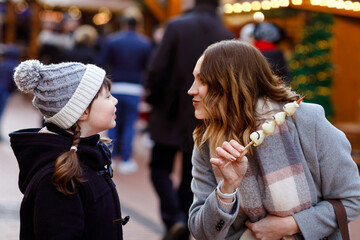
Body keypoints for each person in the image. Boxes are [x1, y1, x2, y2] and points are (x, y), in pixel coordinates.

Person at [187, 39, 360, 240]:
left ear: (232, 83)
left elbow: (351, 199)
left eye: (203, 81)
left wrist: (293, 224)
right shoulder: (206, 141)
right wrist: (227, 188)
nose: (191, 90)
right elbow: (201, 232)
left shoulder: (305, 121)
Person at [9, 60, 128, 239]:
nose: (115, 100)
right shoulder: (57, 178)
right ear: (82, 112)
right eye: (107, 96)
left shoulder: (89, 156)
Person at [145, 0, 234, 239]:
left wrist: (153, 100)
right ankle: (183, 222)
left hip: (169, 111)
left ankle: (173, 218)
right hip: (205, 115)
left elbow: (158, 67)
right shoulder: (225, 33)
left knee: (158, 168)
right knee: (190, 174)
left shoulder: (176, 26)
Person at [97, 16, 152, 174]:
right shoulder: (145, 43)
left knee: (110, 122)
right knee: (129, 125)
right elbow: (148, 67)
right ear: (138, 25)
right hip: (135, 88)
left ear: (123, 25)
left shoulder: (112, 40)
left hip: (116, 85)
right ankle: (126, 159)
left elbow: (102, 62)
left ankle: (110, 157)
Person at [0, 44, 20, 140]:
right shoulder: (15, 67)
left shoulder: (2, 64)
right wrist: (11, 92)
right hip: (4, 93)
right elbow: (15, 84)